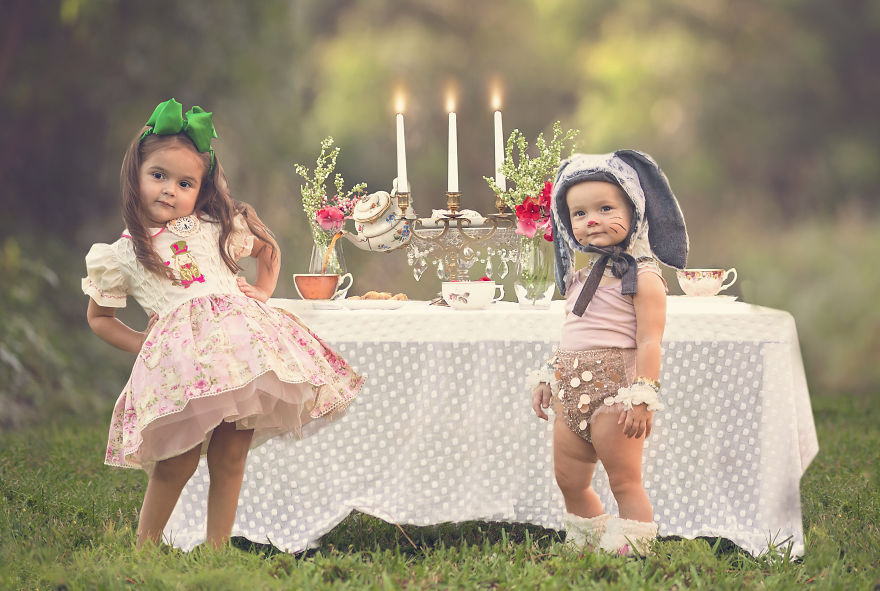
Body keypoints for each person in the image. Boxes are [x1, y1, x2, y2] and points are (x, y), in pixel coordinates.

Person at [82, 99, 364, 549]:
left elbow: (267, 249)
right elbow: (99, 317)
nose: (170, 190)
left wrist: (263, 291)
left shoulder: (214, 226)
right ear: (135, 175)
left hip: (242, 356)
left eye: (185, 182)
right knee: (179, 460)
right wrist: (141, 343)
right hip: (185, 365)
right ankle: (144, 548)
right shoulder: (123, 253)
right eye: (159, 176)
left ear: (200, 189)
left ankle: (217, 550)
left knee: (231, 454)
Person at [528, 151, 688, 556]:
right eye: (578, 214)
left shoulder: (644, 276)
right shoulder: (580, 279)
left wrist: (642, 395)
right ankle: (587, 538)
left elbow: (651, 341)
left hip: (615, 396)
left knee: (624, 479)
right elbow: (574, 333)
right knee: (569, 479)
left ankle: (634, 545)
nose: (591, 220)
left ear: (633, 212)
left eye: (604, 208)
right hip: (571, 394)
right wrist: (549, 374)